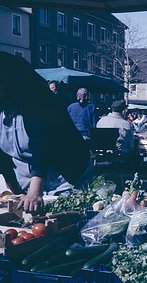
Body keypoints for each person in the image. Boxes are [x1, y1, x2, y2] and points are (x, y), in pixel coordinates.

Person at [0, 51, 91, 213]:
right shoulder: (3, 107)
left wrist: (35, 192)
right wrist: (11, 184)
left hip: (65, 176)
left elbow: (41, 147)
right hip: (29, 180)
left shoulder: (40, 102)